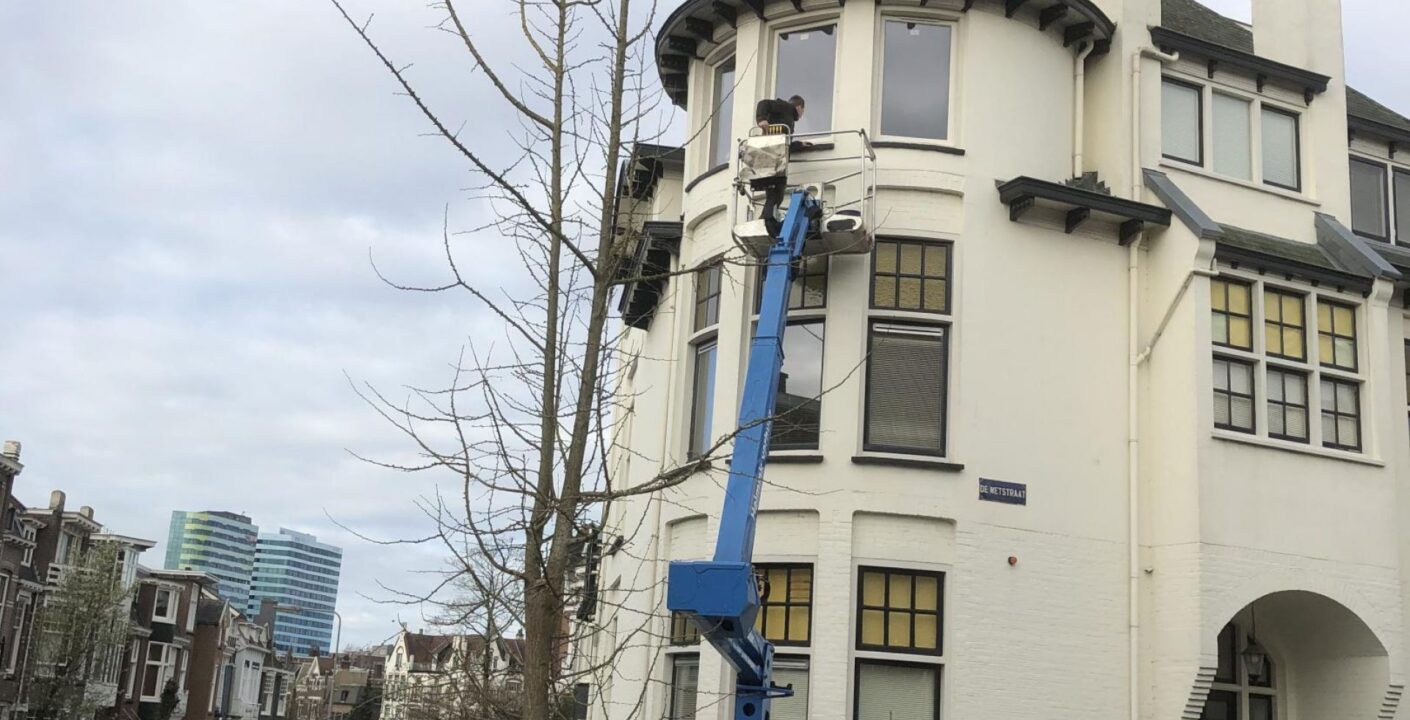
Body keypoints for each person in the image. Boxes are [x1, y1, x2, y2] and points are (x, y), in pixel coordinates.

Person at [752, 95, 805, 236]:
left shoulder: (786, 117)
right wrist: (761, 119)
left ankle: (765, 219)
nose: (801, 115)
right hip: (773, 155)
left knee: (774, 192)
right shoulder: (785, 107)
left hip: (773, 154)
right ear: (799, 107)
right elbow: (763, 103)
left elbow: (786, 143)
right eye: (802, 112)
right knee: (777, 191)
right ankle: (766, 221)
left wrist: (799, 145)